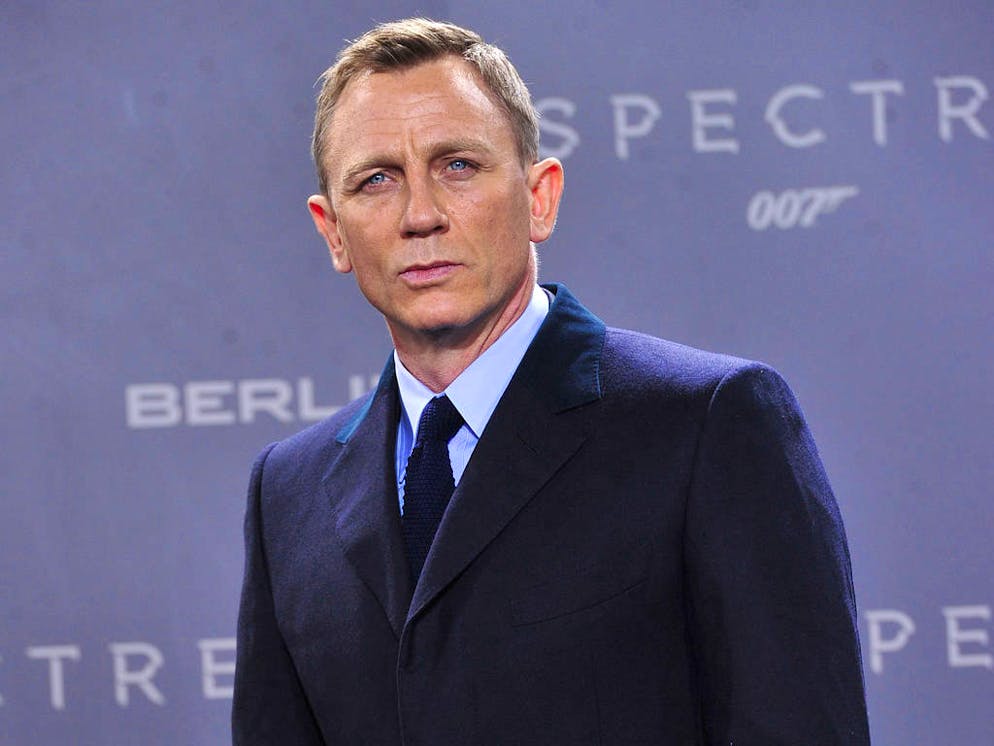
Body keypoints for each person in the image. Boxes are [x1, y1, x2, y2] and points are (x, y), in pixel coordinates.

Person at [232, 18, 870, 745]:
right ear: (333, 231)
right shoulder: (287, 495)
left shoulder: (707, 425)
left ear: (540, 197)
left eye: (457, 165)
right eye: (377, 180)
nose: (421, 215)